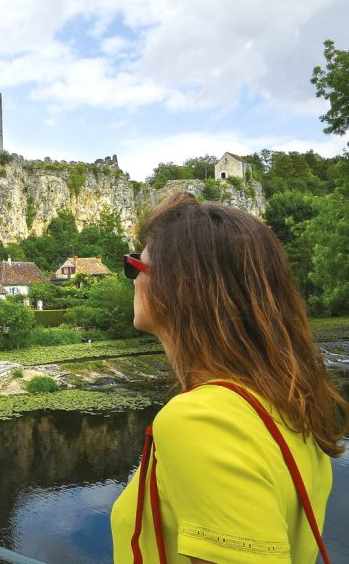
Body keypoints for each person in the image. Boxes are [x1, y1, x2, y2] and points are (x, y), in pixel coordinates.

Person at [110, 192, 348, 563]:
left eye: (133, 268)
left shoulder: (202, 419)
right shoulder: (290, 402)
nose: (132, 281)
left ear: (178, 287)